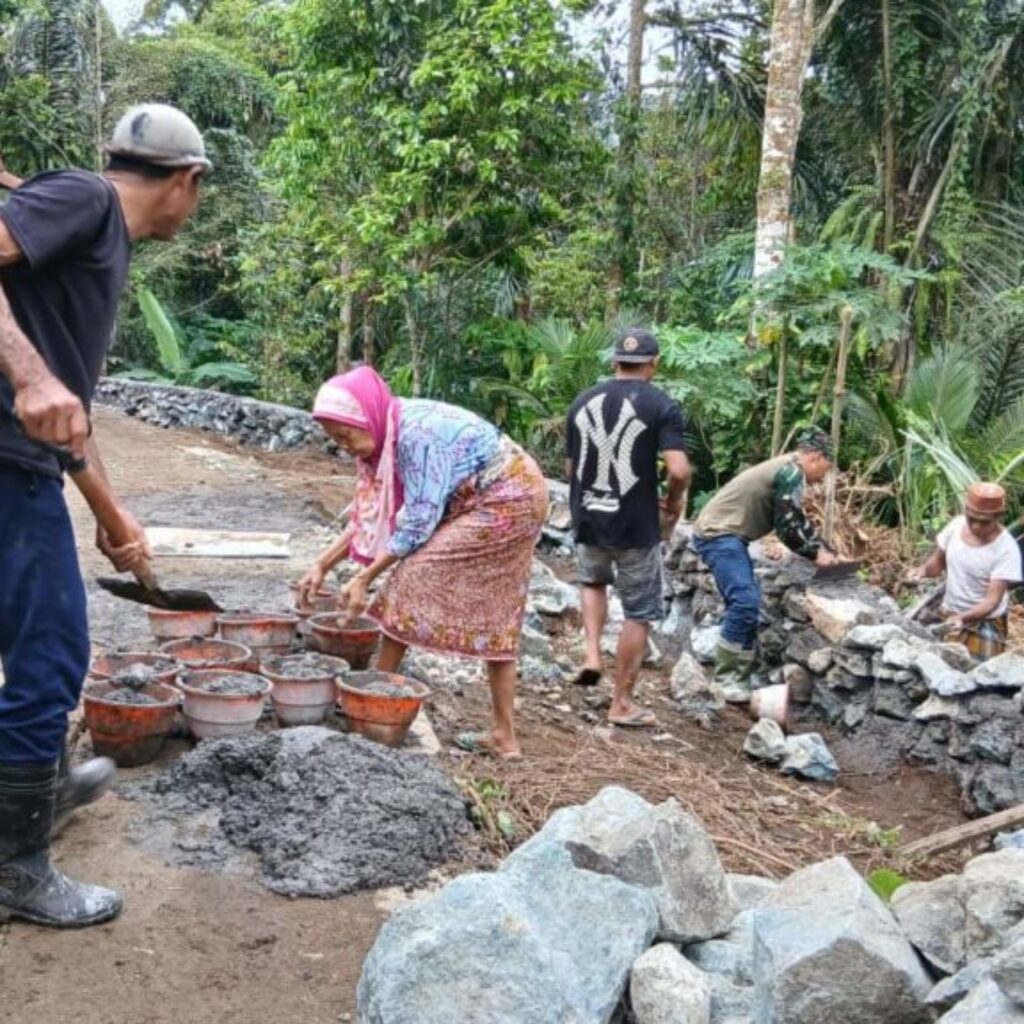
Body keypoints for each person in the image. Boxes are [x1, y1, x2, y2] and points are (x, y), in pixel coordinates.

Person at [0, 104, 210, 927]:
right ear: (188, 182)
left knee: (35, 647)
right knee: (53, 655)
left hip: (24, 466)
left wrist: (112, 514)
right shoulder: (84, 200)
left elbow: (70, 421)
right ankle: (16, 872)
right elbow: (44, 395)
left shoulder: (90, 243)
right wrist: (27, 379)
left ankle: (41, 791)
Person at [298, 367, 548, 760]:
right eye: (335, 439)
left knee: (409, 579)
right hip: (496, 495)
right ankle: (503, 736)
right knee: (495, 611)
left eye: (346, 436)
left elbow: (416, 523)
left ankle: (376, 699)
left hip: (507, 499)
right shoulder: (386, 438)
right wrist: (322, 564)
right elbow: (372, 517)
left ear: (367, 416)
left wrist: (364, 578)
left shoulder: (416, 437)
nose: (344, 446)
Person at [564, 327, 691, 728]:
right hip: (635, 526)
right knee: (638, 612)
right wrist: (672, 501)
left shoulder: (582, 401)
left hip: (588, 516)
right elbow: (679, 469)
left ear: (614, 361)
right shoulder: (662, 405)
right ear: (653, 364)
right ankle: (620, 703)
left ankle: (590, 653)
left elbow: (572, 470)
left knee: (592, 582)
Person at [692, 428, 838, 702]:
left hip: (726, 534)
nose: (822, 478)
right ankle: (725, 679)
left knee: (748, 603)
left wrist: (822, 547)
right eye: (825, 470)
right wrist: (813, 554)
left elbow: (796, 517)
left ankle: (741, 678)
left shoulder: (787, 466)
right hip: (719, 535)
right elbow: (786, 526)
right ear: (816, 458)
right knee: (745, 602)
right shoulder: (792, 472)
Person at [908, 482, 1022, 660]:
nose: (976, 526)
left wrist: (963, 617)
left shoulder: (1006, 550)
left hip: (985, 622)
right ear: (966, 510)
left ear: (999, 516)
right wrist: (922, 571)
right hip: (949, 611)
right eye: (971, 518)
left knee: (980, 679)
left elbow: (991, 602)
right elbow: (937, 563)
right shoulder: (955, 526)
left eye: (984, 522)